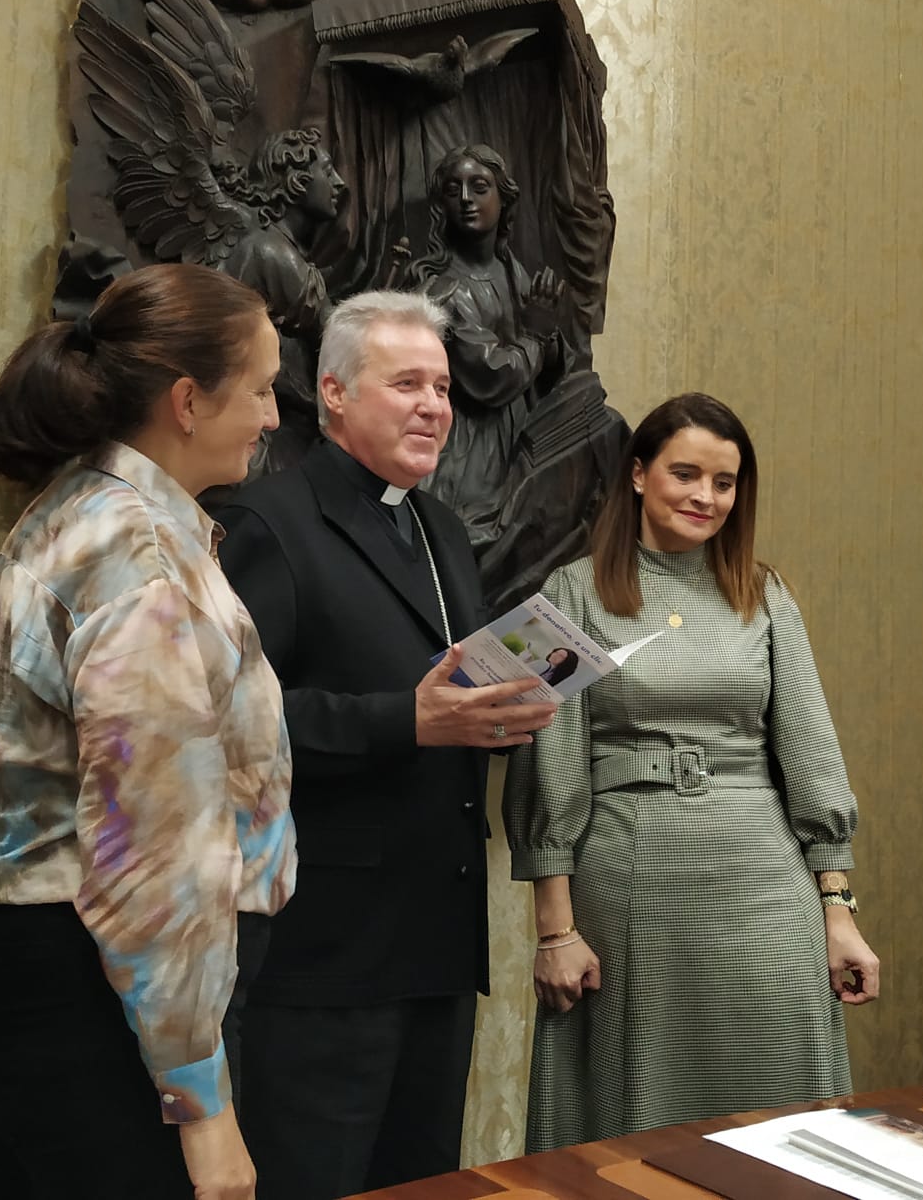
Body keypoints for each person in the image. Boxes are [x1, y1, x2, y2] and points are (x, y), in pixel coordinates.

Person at [0, 263, 295, 1200]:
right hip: (100, 992)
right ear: (187, 400)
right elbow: (153, 849)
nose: (271, 415)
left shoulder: (104, 518)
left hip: (73, 980)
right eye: (260, 389)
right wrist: (201, 1104)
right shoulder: (132, 550)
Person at [215, 290, 558, 1200]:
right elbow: (234, 723)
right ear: (331, 393)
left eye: (442, 388)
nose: (434, 407)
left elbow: (452, 690)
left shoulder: (441, 526)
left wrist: (507, 712)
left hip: (437, 942)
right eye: (406, 384)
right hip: (323, 951)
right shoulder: (268, 522)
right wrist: (406, 721)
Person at [504, 392, 881, 1150]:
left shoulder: (764, 593)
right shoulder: (569, 593)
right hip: (629, 876)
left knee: (781, 1098)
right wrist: (555, 931)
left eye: (725, 482)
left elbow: (812, 756)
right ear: (639, 475)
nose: (705, 497)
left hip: (763, 881)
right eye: (686, 474)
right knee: (639, 1108)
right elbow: (547, 768)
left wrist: (838, 913)